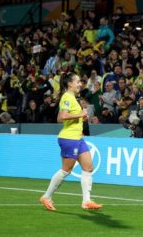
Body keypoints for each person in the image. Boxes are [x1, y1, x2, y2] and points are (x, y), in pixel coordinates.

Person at [40, 72, 102, 211]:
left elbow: (66, 117)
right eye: (78, 81)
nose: (80, 84)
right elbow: (61, 117)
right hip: (69, 138)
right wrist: (80, 114)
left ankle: (86, 201)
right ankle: (47, 196)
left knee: (88, 167)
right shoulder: (67, 97)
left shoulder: (73, 98)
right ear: (70, 84)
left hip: (77, 138)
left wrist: (80, 118)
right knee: (66, 170)